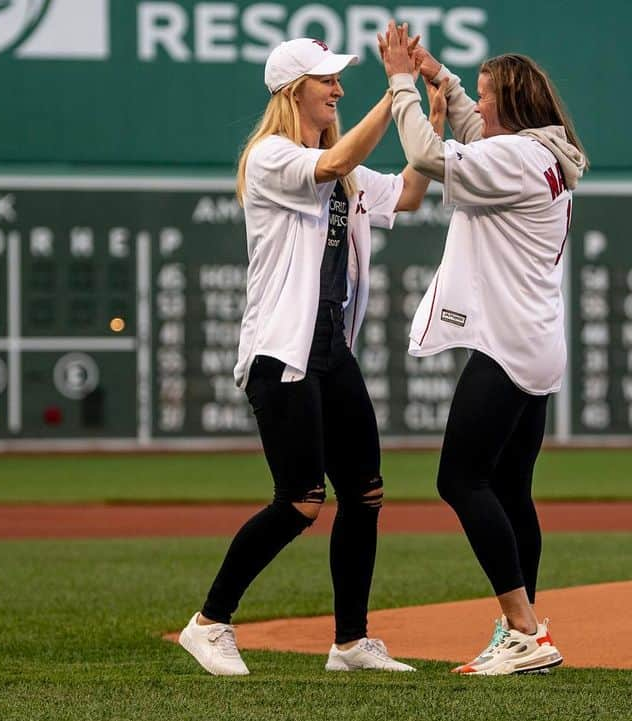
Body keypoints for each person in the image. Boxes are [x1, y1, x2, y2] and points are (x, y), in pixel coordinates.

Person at [178, 36, 445, 676]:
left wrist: (428, 118)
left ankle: (350, 642)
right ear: (292, 88)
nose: (337, 89)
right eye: (326, 79)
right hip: (281, 354)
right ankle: (209, 623)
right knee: (300, 501)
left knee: (366, 492)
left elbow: (406, 195)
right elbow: (328, 166)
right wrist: (397, 88)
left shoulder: (344, 168)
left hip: (331, 352)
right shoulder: (272, 156)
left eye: (338, 78)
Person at [379, 22, 588, 675]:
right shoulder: (542, 153)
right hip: (535, 340)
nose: (476, 101)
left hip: (506, 343)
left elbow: (427, 149)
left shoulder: (519, 158)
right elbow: (472, 131)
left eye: (483, 92)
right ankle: (522, 629)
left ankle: (524, 630)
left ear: (511, 103)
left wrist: (403, 83)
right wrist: (439, 74)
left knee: (459, 478)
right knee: (510, 488)